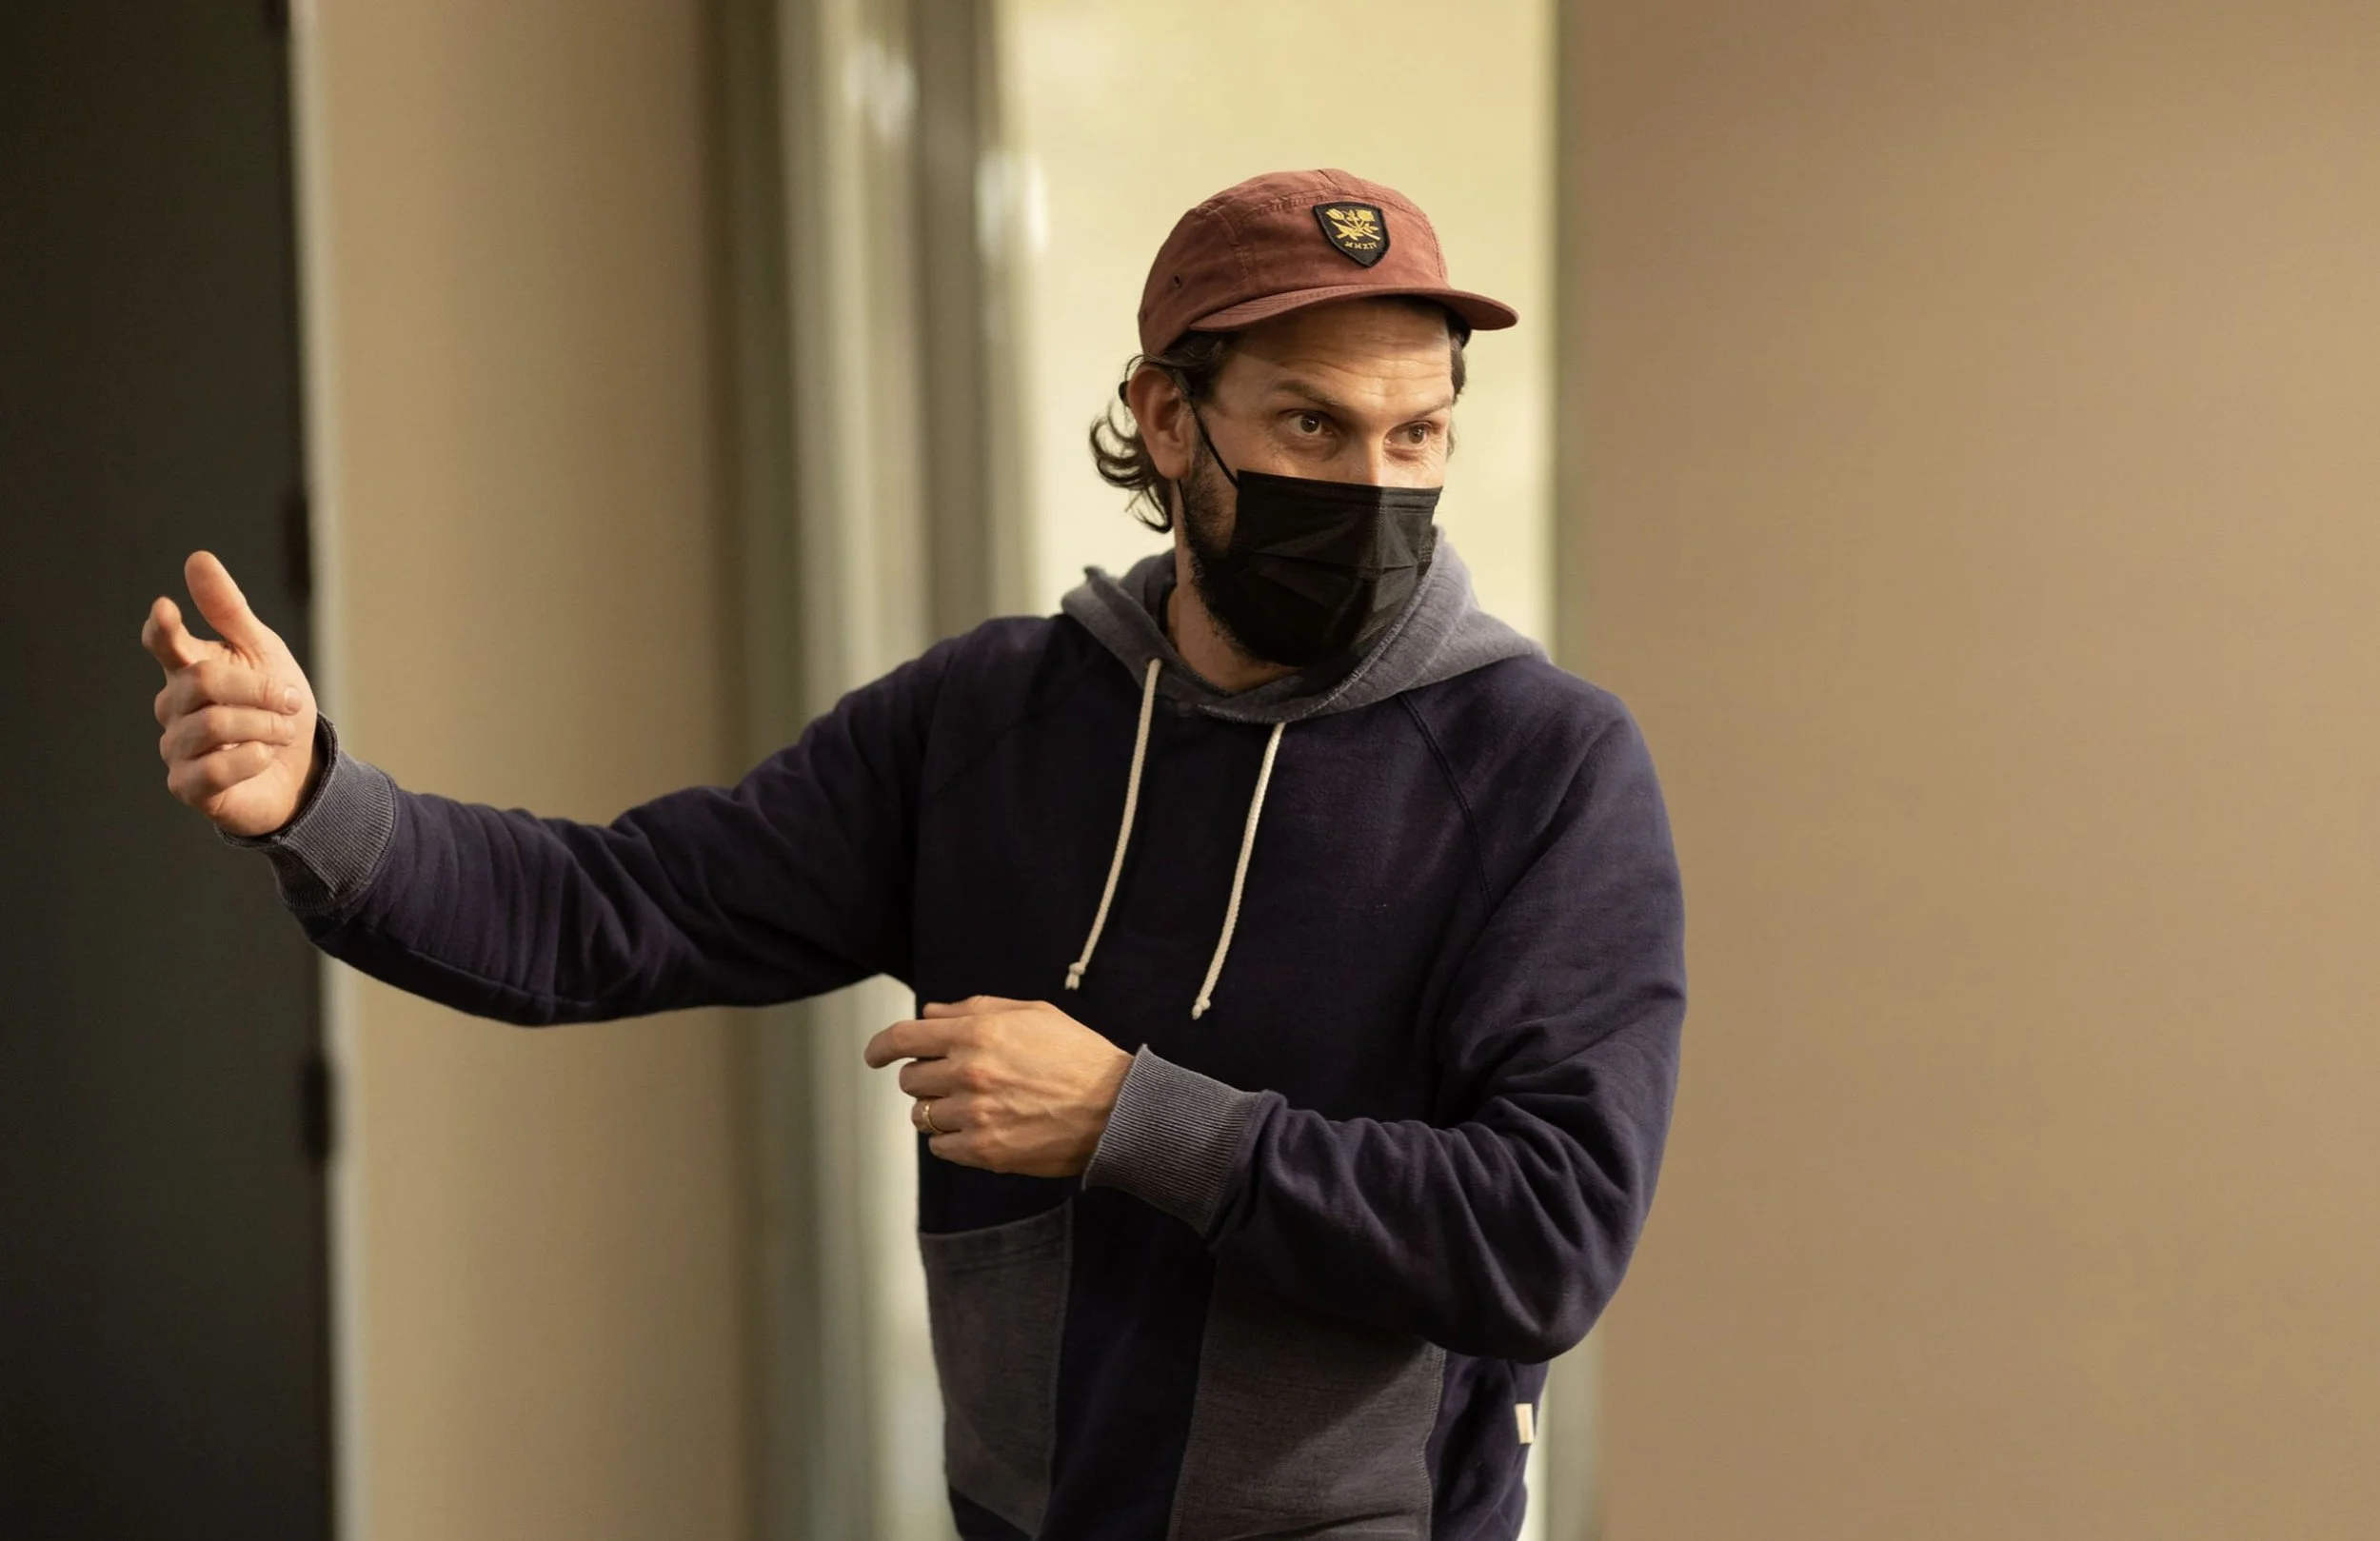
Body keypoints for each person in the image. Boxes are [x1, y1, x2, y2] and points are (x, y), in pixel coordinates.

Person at [141, 168, 1685, 1539]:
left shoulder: (1546, 767)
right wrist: (321, 796)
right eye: (1309, 425)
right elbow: (616, 911)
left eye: (1416, 437)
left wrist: (1126, 1117)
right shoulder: (989, 719)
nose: (1369, 490)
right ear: (1165, 416)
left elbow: (1546, 1233)